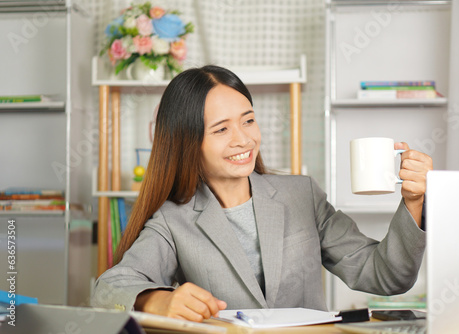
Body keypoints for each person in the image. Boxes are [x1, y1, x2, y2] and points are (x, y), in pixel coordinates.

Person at [91, 65, 432, 322]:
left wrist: (413, 202)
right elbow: (108, 288)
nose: (243, 139)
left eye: (249, 121)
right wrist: (157, 300)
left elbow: (386, 276)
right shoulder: (172, 219)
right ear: (187, 141)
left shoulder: (302, 194)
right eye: (221, 129)